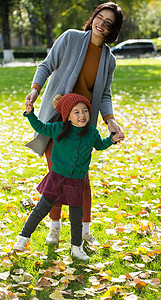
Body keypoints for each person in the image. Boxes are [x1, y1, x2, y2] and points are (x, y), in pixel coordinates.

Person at [24, 2, 125, 246]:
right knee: (57, 174)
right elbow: (46, 65)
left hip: (82, 123)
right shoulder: (71, 38)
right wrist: (35, 90)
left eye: (108, 22)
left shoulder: (108, 60)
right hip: (59, 119)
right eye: (99, 17)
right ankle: (55, 228)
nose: (101, 24)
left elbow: (104, 95)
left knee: (81, 178)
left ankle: (84, 231)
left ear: (113, 30)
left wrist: (110, 120)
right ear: (93, 18)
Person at [13, 93, 121, 260]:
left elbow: (100, 145)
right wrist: (30, 113)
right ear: (68, 116)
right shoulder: (58, 128)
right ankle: (23, 238)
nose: (82, 115)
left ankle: (76, 247)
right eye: (76, 112)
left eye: (85, 111)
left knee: (76, 217)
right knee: (40, 209)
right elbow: (40, 127)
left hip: (77, 182)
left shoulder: (91, 132)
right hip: (57, 179)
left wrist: (112, 139)